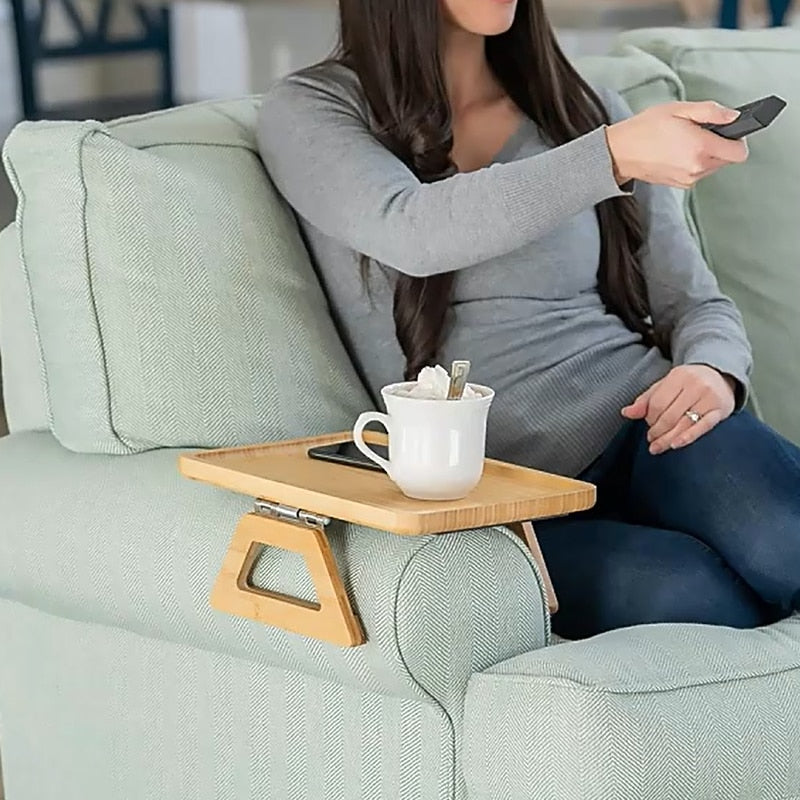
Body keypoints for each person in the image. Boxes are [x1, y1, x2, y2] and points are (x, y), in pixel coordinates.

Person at [257, 0, 800, 639]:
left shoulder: (581, 109)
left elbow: (693, 301)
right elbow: (414, 228)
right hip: (506, 503)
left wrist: (714, 371)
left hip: (653, 426)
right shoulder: (313, 111)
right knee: (697, 601)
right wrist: (609, 156)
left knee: (783, 539)